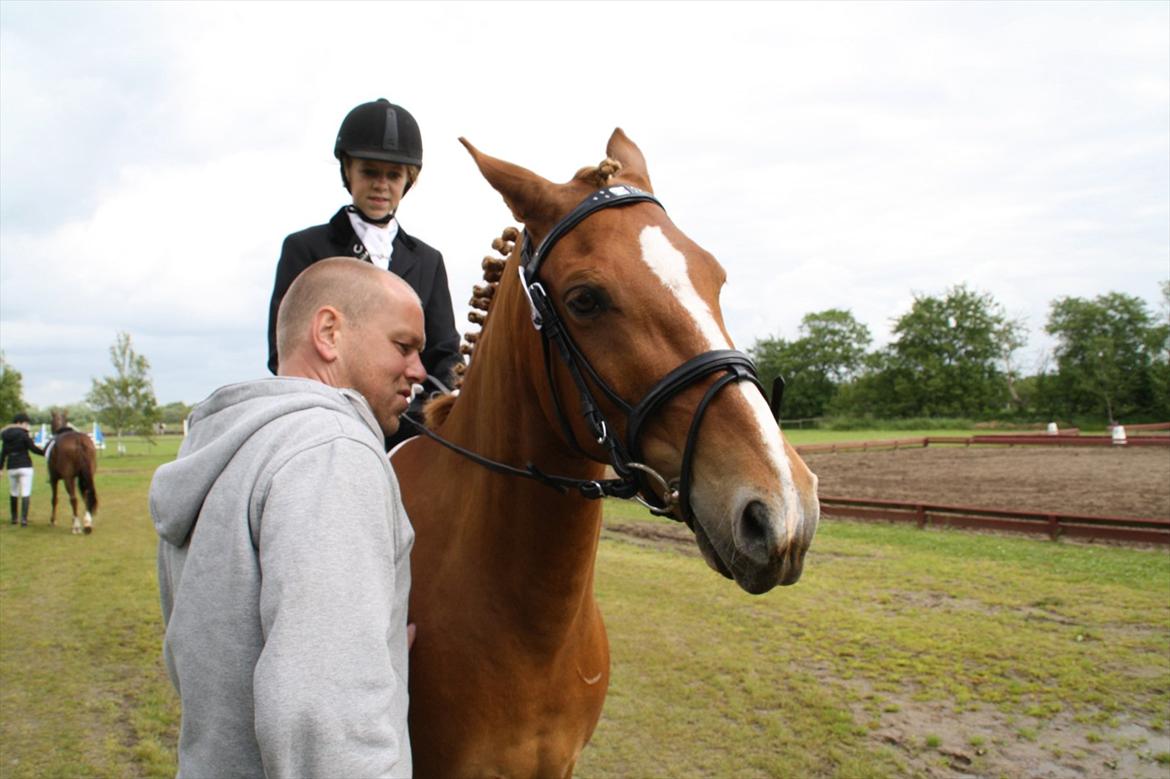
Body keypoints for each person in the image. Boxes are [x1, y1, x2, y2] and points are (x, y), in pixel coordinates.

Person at [151, 258, 425, 778]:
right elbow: (322, 712)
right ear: (329, 332)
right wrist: (341, 671)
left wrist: (368, 649)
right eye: (403, 346)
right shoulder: (332, 451)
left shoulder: (234, 446)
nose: (418, 370)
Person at [267, 97, 462, 450]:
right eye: (369, 172)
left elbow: (445, 354)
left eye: (393, 175)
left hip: (409, 435)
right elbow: (283, 351)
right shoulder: (305, 249)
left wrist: (415, 419)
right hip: (323, 432)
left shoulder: (428, 261)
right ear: (348, 171)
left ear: (409, 181)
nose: (381, 185)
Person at [1, 412, 45, 527]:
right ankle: (24, 519)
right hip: (25, 465)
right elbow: (33, 448)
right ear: (20, 423)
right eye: (26, 423)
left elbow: (3, 453)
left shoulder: (6, 436)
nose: (27, 426)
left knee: (13, 492)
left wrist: (0, 468)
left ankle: (14, 518)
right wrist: (46, 453)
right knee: (26, 492)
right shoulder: (23, 434)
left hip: (11, 466)